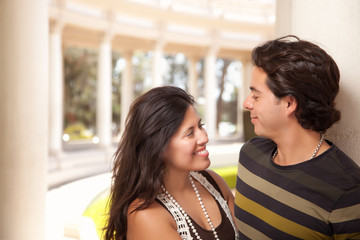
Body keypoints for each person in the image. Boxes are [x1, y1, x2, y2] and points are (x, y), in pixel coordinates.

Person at [235, 35, 360, 239]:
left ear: (289, 103)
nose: (247, 103)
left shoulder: (348, 190)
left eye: (256, 96)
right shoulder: (250, 154)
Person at [104, 86, 239, 240]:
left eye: (200, 126)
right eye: (190, 133)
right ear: (159, 146)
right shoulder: (146, 215)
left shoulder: (214, 183)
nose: (204, 137)